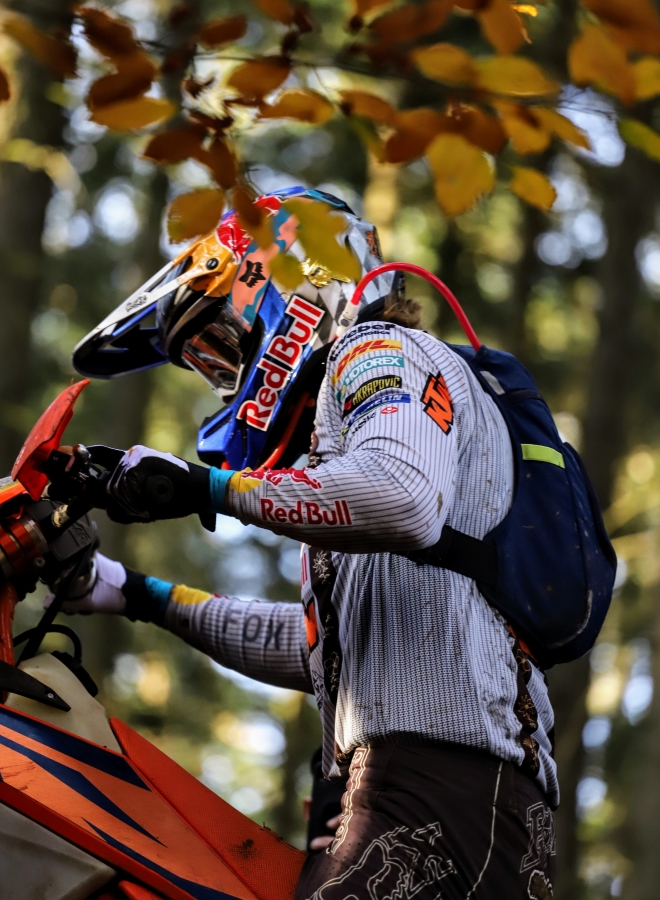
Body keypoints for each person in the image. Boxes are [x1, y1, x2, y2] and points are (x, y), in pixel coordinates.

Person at [61, 187, 557, 900]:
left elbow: (403, 497)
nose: (223, 381)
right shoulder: (348, 447)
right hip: (463, 795)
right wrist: (131, 592)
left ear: (289, 287)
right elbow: (321, 651)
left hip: (438, 785)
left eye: (219, 345)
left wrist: (207, 489)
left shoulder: (377, 350)